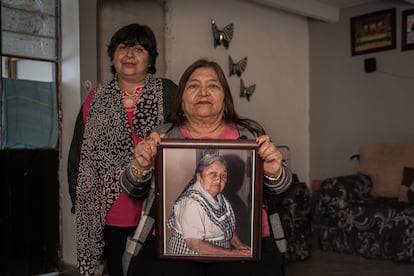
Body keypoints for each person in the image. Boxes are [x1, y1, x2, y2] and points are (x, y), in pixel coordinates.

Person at [120, 58, 293, 276]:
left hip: (254, 245)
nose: (203, 92)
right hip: (174, 250)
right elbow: (131, 190)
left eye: (213, 85)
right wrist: (140, 166)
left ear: (225, 98)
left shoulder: (249, 136)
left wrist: (274, 172)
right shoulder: (162, 137)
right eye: (193, 86)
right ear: (181, 99)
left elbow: (281, 187)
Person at [67, 23, 178, 276]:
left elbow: (187, 136)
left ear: (151, 59)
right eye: (123, 47)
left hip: (157, 206)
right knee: (118, 270)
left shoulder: (167, 92)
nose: (129, 54)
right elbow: (79, 154)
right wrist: (80, 200)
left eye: (138, 48)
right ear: (113, 56)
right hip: (109, 211)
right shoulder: (96, 97)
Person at [166, 154, 250, 256]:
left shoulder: (220, 198)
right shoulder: (191, 203)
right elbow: (194, 244)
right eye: (213, 174)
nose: (219, 180)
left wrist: (239, 245)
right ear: (199, 177)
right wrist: (233, 253)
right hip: (191, 256)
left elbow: (226, 227)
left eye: (223, 175)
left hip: (218, 254)